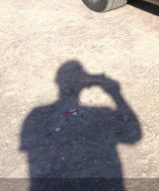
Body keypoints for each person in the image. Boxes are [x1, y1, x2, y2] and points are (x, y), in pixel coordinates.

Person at [20, 61, 141, 191]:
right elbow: (133, 136)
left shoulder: (36, 115)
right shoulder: (102, 113)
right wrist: (116, 94)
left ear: (57, 81)